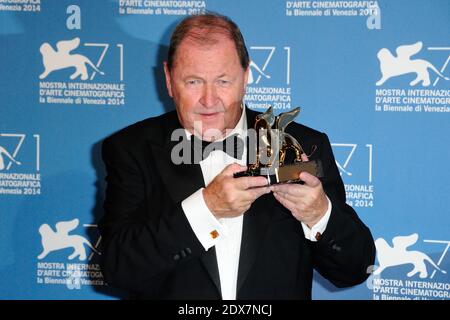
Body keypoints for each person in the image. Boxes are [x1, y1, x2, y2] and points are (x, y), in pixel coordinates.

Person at [99, 13, 375, 300]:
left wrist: (319, 215)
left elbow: (355, 268)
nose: (208, 100)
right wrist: (206, 209)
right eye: (193, 82)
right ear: (169, 79)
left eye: (223, 81)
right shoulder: (131, 148)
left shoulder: (302, 144)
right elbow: (117, 268)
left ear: (246, 76)